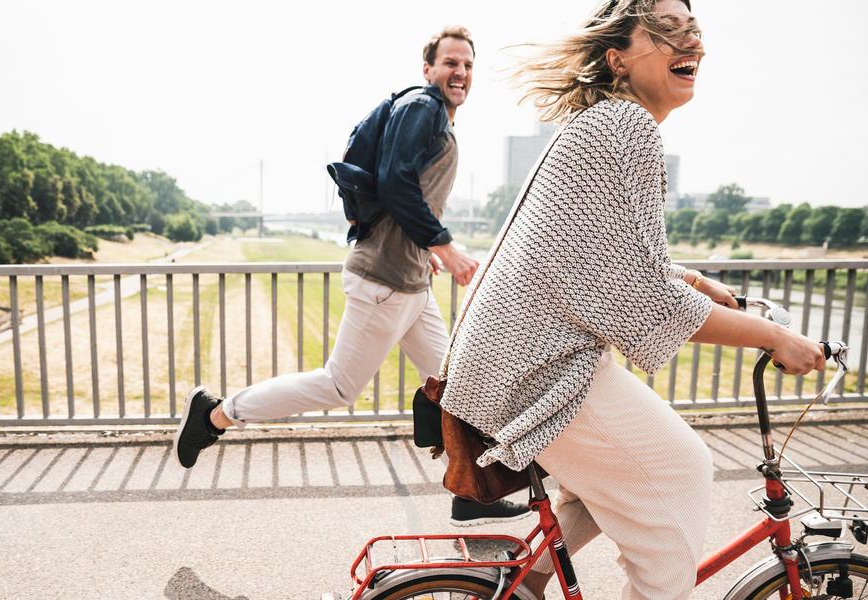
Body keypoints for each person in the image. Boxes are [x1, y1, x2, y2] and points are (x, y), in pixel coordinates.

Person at [439, 1, 827, 599]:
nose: (690, 40)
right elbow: (641, 295)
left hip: (507, 361)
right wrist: (775, 336)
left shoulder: (603, 122)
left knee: (615, 481)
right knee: (681, 472)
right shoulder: (628, 127)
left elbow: (613, 258)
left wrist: (693, 281)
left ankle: (524, 586)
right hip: (537, 368)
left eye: (693, 28)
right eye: (667, 28)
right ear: (617, 58)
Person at [175, 26, 531, 527]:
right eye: (451, 63)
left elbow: (406, 194)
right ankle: (214, 415)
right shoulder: (423, 107)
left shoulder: (435, 118)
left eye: (468, 65)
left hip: (410, 283)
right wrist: (445, 248)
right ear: (428, 68)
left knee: (456, 386)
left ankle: (471, 493)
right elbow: (395, 183)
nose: (461, 73)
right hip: (385, 282)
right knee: (338, 387)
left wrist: (423, 251)